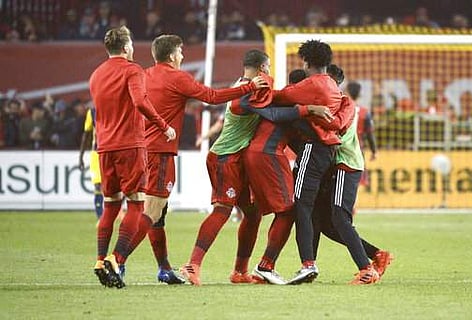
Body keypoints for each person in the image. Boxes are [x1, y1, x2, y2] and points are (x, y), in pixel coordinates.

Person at [122, 34, 268, 285]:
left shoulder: (144, 75)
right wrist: (251, 87)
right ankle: (118, 259)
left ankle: (166, 268)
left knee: (159, 214)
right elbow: (211, 97)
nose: (183, 55)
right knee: (155, 211)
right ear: (171, 55)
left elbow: (133, 105)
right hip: (175, 151)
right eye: (180, 51)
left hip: (144, 149)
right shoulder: (177, 77)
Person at [179, 50, 330, 286]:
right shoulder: (245, 92)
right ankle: (192, 265)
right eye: (268, 67)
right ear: (262, 68)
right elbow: (272, 112)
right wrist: (307, 109)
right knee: (222, 210)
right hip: (225, 157)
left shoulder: (249, 87)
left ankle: (240, 271)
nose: (269, 71)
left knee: (253, 213)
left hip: (240, 158)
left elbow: (274, 103)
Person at [89, 25, 176, 288]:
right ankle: (116, 260)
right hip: (130, 145)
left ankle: (100, 259)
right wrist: (163, 125)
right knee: (137, 204)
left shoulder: (96, 74)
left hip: (105, 147)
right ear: (127, 47)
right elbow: (139, 102)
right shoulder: (132, 70)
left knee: (110, 206)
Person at [245, 69, 334, 285]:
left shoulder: (283, 102)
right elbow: (278, 116)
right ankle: (265, 265)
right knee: (288, 210)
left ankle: (247, 268)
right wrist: (311, 109)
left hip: (259, 154)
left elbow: (296, 139)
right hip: (268, 154)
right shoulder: (289, 103)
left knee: (258, 212)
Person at [310, 64, 392, 285]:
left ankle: (366, 270)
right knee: (326, 223)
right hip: (338, 166)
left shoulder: (347, 106)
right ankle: (376, 255)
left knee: (339, 217)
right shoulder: (334, 103)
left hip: (346, 164)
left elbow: (336, 140)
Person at [272, 40, 344, 284]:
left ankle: (308, 264)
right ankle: (309, 262)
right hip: (329, 152)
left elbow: (279, 97)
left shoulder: (311, 84)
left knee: (300, 206)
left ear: (307, 61)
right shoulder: (332, 84)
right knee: (310, 209)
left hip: (313, 150)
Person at [346, 81, 377, 187]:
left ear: (347, 92)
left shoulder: (342, 108)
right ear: (359, 95)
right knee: (356, 182)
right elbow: (370, 135)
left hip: (342, 149)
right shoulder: (365, 112)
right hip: (358, 151)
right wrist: (374, 151)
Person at [79, 106, 103, 221]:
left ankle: (113, 214)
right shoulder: (92, 112)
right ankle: (100, 218)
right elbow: (86, 134)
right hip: (96, 153)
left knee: (113, 187)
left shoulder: (115, 108)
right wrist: (81, 156)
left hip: (112, 152)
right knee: (98, 185)